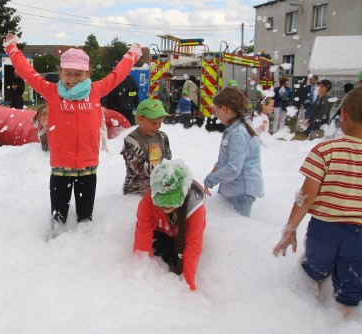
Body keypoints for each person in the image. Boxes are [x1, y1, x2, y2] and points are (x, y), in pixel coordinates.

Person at [3, 33, 142, 238]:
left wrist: (132, 55)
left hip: (88, 166)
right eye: (68, 74)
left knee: (85, 218)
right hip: (60, 167)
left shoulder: (95, 91)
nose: (73, 79)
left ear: (87, 73)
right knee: (58, 218)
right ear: (60, 72)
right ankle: (56, 250)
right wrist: (12, 49)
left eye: (78, 74)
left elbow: (117, 75)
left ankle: (83, 252)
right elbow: (28, 73)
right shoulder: (52, 92)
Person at [273, 87, 362, 318]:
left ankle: (310, 316)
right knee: (352, 283)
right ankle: (344, 320)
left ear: (343, 115)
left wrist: (290, 228)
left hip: (324, 230)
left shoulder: (325, 150)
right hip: (360, 235)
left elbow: (307, 195)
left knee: (314, 273)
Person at [134, 160, 206, 290]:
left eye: (171, 201)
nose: (165, 206)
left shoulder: (196, 210)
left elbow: (193, 246)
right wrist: (141, 274)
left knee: (179, 260)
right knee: (162, 254)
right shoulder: (147, 202)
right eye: (161, 201)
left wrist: (188, 285)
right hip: (161, 234)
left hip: (181, 238)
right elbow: (143, 235)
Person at [203, 87, 263, 217]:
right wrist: (216, 169)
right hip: (234, 189)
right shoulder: (237, 127)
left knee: (237, 230)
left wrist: (210, 179)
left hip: (240, 191)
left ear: (224, 109)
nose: (216, 114)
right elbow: (226, 158)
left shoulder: (238, 134)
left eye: (216, 110)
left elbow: (233, 169)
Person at [121, 99, 172, 195]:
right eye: (153, 123)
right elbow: (140, 169)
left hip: (160, 185)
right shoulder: (131, 141)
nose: (157, 127)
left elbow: (168, 160)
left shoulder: (162, 136)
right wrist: (156, 163)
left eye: (160, 123)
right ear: (140, 119)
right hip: (137, 189)